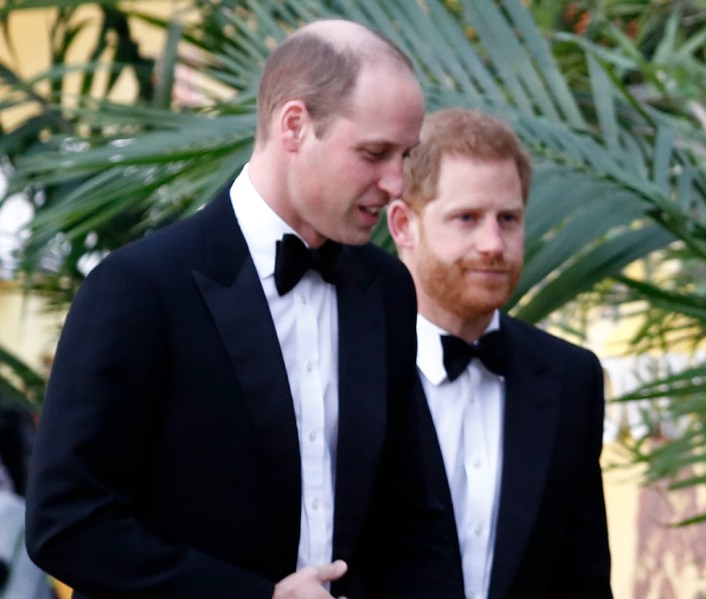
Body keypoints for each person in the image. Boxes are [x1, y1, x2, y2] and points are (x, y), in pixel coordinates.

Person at [25, 19, 461, 599]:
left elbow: (414, 516)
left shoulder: (385, 289)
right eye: (375, 153)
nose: (396, 183)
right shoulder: (138, 287)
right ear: (294, 126)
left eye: (405, 155)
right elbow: (67, 524)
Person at [387, 107, 614, 598]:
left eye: (507, 219)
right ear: (404, 225)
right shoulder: (351, 368)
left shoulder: (571, 377)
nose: (493, 243)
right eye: (466, 218)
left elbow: (584, 576)